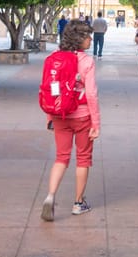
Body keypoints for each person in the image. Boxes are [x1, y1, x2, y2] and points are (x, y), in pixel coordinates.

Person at [41, 20, 101, 221]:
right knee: (83, 159)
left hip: (60, 116)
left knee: (61, 157)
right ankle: (78, 203)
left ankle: (50, 196)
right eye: (87, 36)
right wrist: (96, 123)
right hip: (82, 116)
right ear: (79, 39)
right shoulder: (86, 61)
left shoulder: (54, 59)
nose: (90, 39)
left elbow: (51, 88)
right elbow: (91, 94)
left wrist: (51, 116)